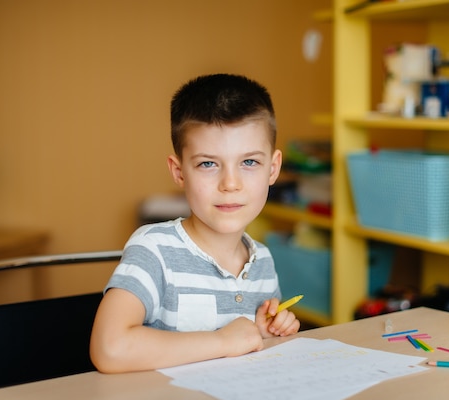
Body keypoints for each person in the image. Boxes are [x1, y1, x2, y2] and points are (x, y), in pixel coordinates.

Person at [90, 73, 300, 373]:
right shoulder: (155, 249)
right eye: (208, 164)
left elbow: (246, 357)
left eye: (249, 162)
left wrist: (263, 334)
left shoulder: (263, 261)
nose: (230, 183)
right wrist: (223, 342)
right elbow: (110, 348)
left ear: (273, 168)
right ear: (179, 172)